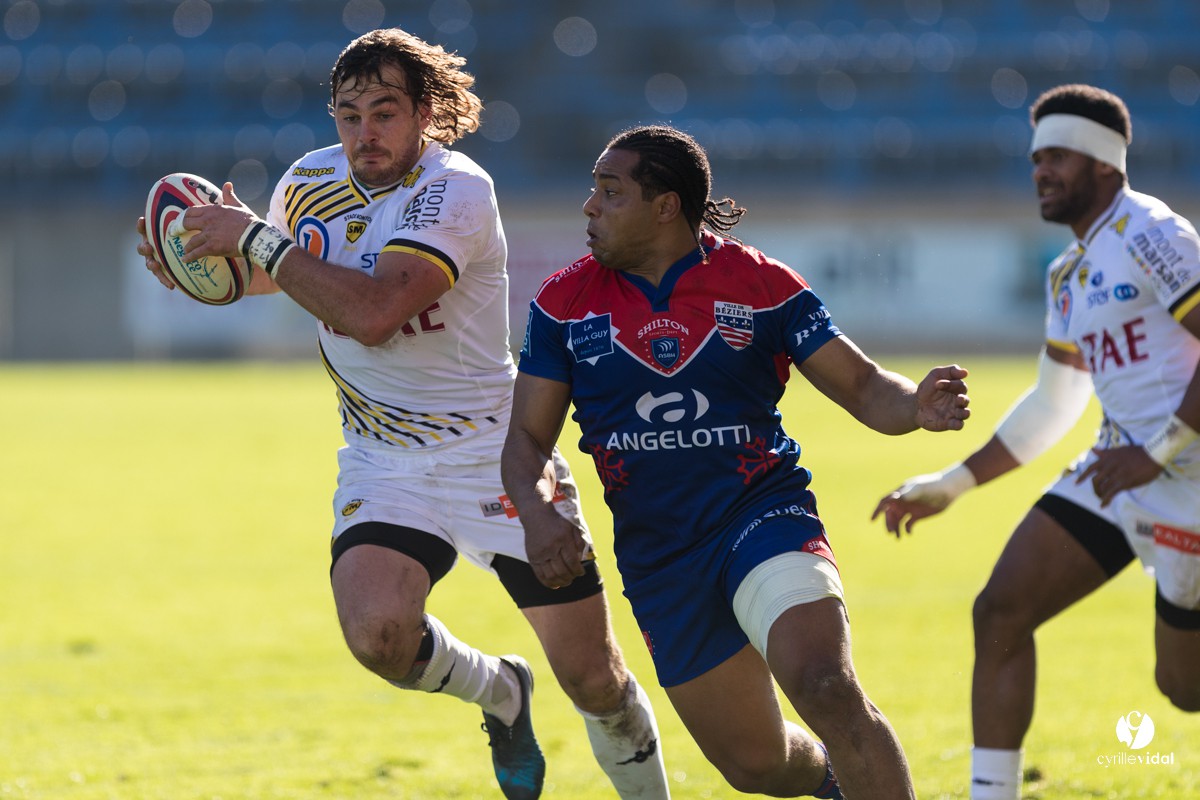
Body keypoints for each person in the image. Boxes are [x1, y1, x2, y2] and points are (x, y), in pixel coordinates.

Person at [134, 28, 671, 800]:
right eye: (349, 116)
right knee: (378, 637)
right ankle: (501, 692)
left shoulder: (456, 189)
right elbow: (284, 275)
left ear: (424, 113)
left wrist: (251, 237)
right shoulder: (308, 180)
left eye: (384, 113)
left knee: (594, 678)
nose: (365, 134)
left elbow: (376, 311)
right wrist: (204, 265)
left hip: (497, 454)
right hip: (383, 461)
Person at [501, 123, 971, 799]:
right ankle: (833, 779)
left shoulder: (760, 284)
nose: (590, 206)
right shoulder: (563, 304)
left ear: (665, 206)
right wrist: (538, 512)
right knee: (757, 766)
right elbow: (526, 438)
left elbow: (866, 387)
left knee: (825, 685)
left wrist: (914, 405)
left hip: (763, 516)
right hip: (661, 555)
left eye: (610, 191)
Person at [873, 84, 1200, 800]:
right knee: (1001, 609)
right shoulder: (1068, 273)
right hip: (1119, 472)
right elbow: (1055, 403)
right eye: (1035, 159)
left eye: (1058, 156)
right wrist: (952, 482)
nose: (1041, 171)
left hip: (1184, 473)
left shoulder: (1152, 234)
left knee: (1183, 689)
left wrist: (1159, 450)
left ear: (1104, 162)